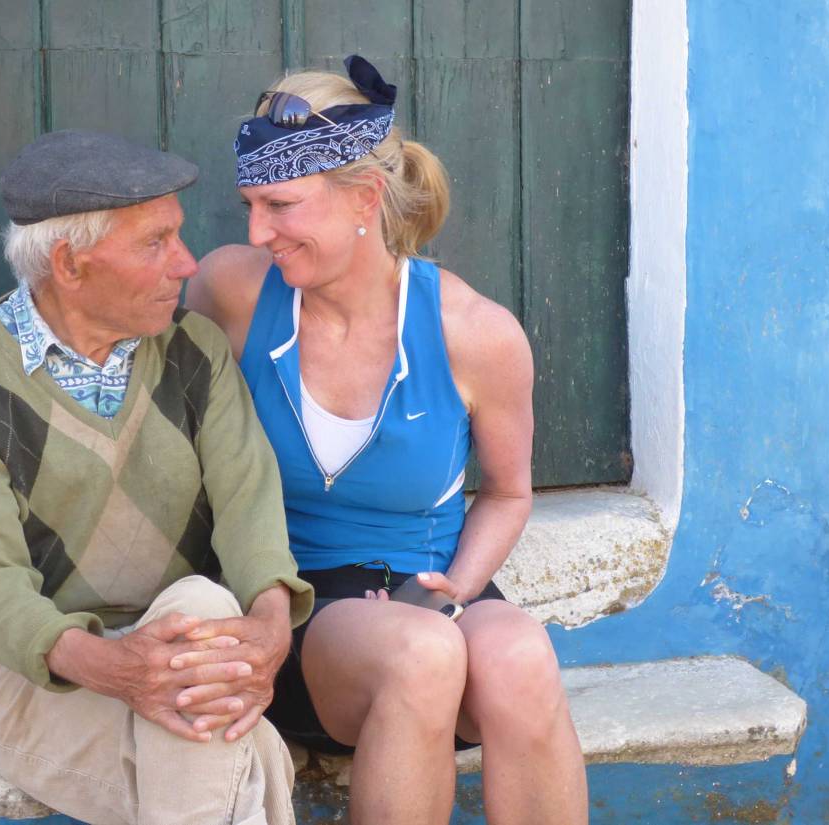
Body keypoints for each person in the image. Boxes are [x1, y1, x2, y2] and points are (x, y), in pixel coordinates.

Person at [184, 57, 589, 825]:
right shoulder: (230, 294)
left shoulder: (476, 333)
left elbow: (508, 490)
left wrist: (462, 585)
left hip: (429, 589)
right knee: (421, 653)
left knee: (519, 653)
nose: (256, 231)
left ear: (365, 196)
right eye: (249, 204)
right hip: (298, 609)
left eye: (280, 204)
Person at [0, 129, 313, 825]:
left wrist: (272, 621)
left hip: (193, 649)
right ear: (69, 264)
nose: (187, 264)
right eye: (155, 243)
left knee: (202, 612)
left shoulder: (195, 350)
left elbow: (249, 499)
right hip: (40, 676)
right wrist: (123, 670)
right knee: (249, 761)